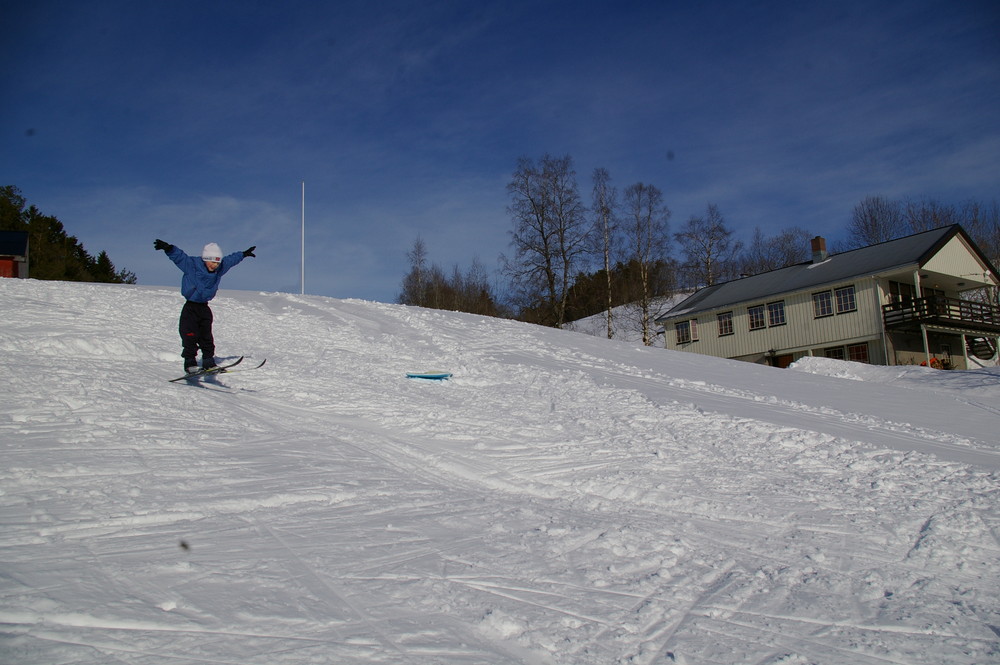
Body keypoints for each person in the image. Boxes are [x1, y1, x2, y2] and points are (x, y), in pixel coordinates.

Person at [154, 239, 256, 373]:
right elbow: (180, 257)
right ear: (205, 259)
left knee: (206, 337)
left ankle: (208, 362)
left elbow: (230, 261)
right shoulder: (192, 266)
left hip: (204, 308)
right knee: (190, 336)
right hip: (190, 308)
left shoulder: (219, 269)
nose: (215, 265)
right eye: (212, 262)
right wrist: (168, 248)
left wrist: (243, 254)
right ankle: (190, 363)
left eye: (217, 262)